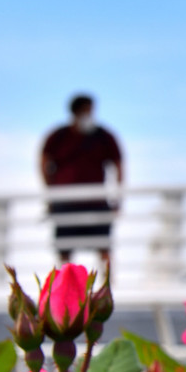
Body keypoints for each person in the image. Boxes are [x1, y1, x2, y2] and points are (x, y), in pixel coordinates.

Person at [40, 94, 124, 263]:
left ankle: (107, 288)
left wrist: (117, 198)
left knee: (104, 249)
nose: (89, 114)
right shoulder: (59, 136)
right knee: (64, 252)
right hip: (65, 203)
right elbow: (43, 161)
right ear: (75, 111)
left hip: (97, 203)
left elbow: (118, 164)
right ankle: (65, 289)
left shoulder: (103, 136)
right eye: (86, 110)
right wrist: (51, 192)